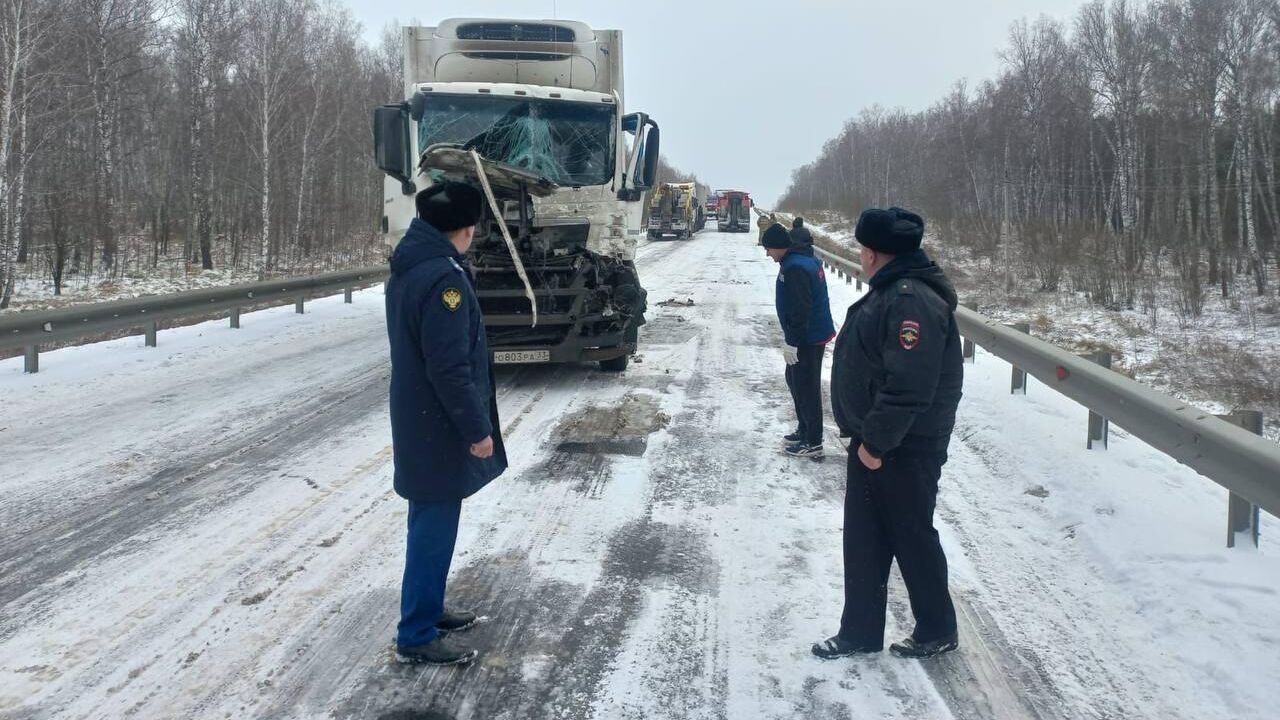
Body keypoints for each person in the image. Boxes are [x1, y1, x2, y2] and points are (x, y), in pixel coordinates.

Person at [812, 207, 963, 661]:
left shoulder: (909, 300)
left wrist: (876, 443)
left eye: (862, 249)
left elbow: (909, 385)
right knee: (864, 539)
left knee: (911, 536)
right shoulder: (894, 292)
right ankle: (859, 631)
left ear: (874, 253)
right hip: (878, 442)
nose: (860, 256)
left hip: (903, 446)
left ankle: (937, 628)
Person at [385, 181, 509, 666]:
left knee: (430, 520)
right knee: (433, 527)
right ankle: (416, 632)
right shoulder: (444, 279)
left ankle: (428, 610)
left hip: (420, 418)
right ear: (464, 227)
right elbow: (449, 367)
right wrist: (477, 432)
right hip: (437, 424)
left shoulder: (413, 265)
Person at [761, 223, 836, 458]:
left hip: (808, 338)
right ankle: (804, 430)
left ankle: (813, 442)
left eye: (768, 249)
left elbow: (800, 309)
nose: (767, 254)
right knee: (794, 380)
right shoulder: (800, 260)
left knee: (806, 387)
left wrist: (793, 342)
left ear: (778, 247)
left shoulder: (795, 268)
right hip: (810, 334)